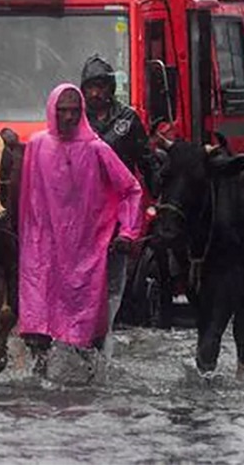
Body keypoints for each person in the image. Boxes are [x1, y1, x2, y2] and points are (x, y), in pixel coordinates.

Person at [19, 83, 143, 376]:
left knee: (84, 331)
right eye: (63, 111)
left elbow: (130, 189)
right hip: (43, 247)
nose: (69, 118)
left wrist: (128, 231)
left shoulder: (97, 148)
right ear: (52, 112)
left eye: (75, 111)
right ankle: (40, 377)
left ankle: (87, 378)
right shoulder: (37, 146)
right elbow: (26, 197)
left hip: (85, 250)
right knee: (37, 322)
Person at [81, 55, 162, 359]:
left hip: (117, 211)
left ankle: (105, 335)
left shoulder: (127, 120)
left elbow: (146, 159)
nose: (95, 93)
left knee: (113, 280)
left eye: (101, 86)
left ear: (111, 88)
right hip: (81, 212)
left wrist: (158, 193)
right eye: (90, 87)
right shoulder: (74, 120)